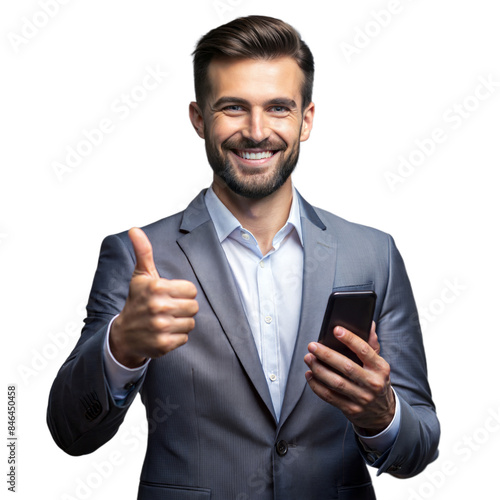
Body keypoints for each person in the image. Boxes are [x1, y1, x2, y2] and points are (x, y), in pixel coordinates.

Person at [47, 15, 439, 500]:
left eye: (278, 108)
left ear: (306, 119)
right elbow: (70, 431)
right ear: (199, 118)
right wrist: (120, 348)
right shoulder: (136, 257)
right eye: (233, 107)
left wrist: (380, 414)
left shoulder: (373, 254)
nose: (257, 132)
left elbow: (420, 446)